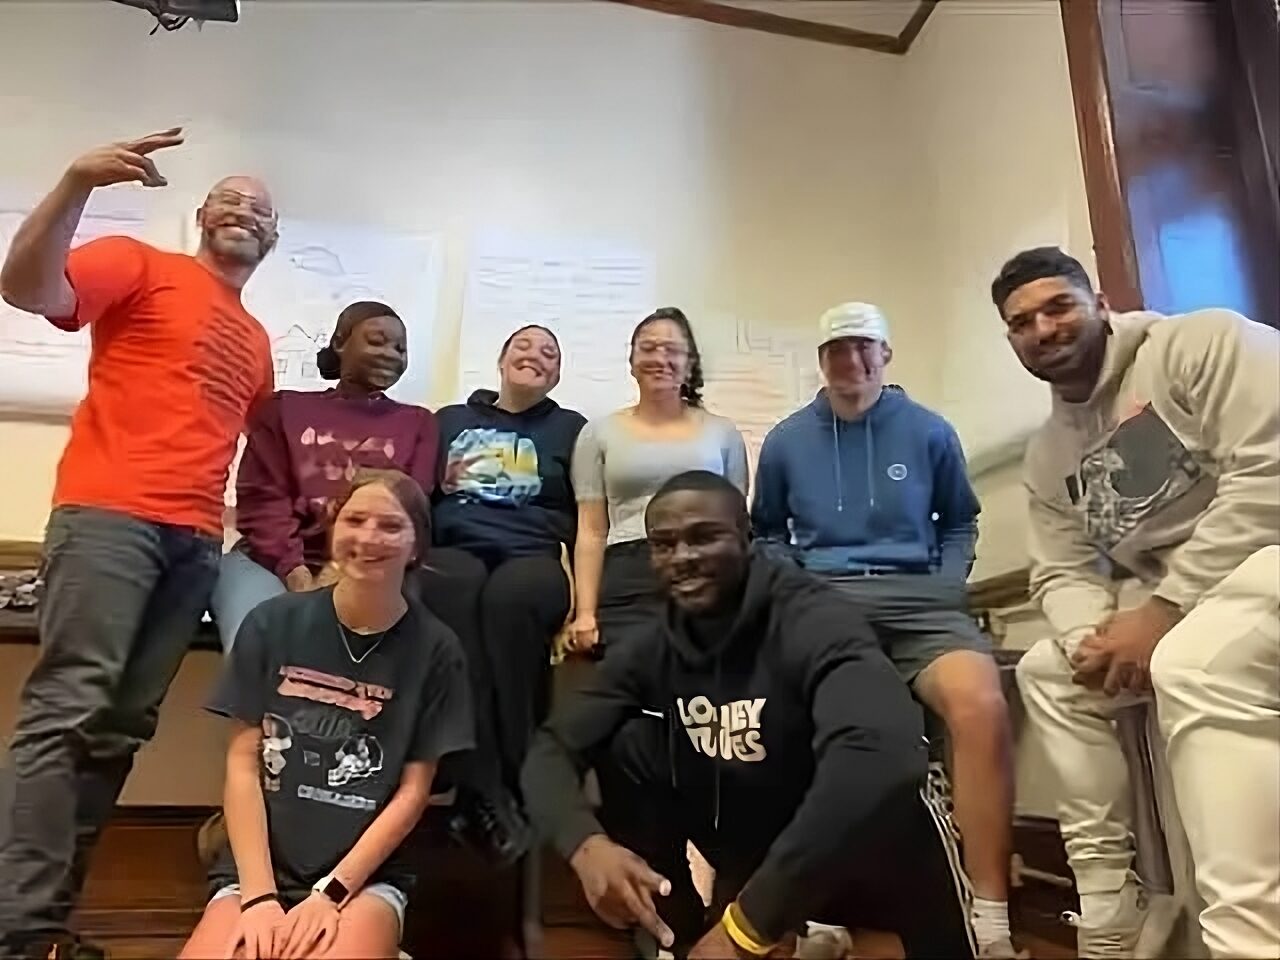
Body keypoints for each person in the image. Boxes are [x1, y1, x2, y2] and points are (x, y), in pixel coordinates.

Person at [0, 129, 278, 959]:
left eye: (260, 209)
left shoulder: (257, 344)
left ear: (272, 239)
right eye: (229, 198)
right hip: (108, 518)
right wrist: (77, 180)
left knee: (118, 730)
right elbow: (23, 286)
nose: (243, 211)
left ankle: (47, 925)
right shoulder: (139, 263)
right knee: (66, 710)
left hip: (193, 541)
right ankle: (18, 931)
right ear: (201, 215)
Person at [522, 470, 976, 959]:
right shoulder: (655, 645)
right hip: (757, 855)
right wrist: (585, 847)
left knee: (881, 786)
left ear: (747, 538)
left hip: (868, 850)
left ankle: (814, 929)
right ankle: (684, 934)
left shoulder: (812, 618)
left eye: (704, 538)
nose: (683, 559)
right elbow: (551, 749)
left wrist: (747, 926)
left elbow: (883, 759)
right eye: (664, 544)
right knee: (629, 743)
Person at [995, 247, 1280, 960]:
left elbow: (1269, 475)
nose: (1045, 328)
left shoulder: (1199, 343)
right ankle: (1109, 914)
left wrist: (1162, 615)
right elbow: (1057, 569)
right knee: (1047, 670)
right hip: (1178, 595)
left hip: (1263, 555)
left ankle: (1246, 943)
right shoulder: (1048, 455)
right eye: (1022, 322)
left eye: (1058, 305)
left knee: (1191, 661)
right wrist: (1095, 638)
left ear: (1098, 302)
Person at [750, 302, 1015, 956]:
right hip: (827, 603)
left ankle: (989, 916)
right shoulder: (788, 439)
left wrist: (948, 584)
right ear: (822, 361)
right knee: (790, 724)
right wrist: (799, 590)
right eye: (837, 350)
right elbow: (765, 534)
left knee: (981, 707)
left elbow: (959, 521)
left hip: (923, 606)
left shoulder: (928, 431)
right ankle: (817, 907)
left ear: (886, 355)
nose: (852, 362)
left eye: (864, 348)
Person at [179, 469, 473, 960]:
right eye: (355, 520)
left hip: (363, 880)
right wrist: (259, 898)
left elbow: (413, 792)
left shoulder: (438, 650)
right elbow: (242, 765)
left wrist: (332, 894)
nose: (368, 538)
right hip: (257, 872)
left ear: (417, 546)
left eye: (390, 526)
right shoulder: (273, 623)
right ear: (334, 530)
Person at [424, 324, 586, 862]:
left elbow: (589, 518)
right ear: (500, 359)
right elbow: (418, 499)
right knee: (453, 587)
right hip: (457, 548)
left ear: (557, 375)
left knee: (510, 602)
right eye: (523, 346)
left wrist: (585, 604)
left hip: (532, 557)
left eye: (549, 354)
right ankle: (490, 787)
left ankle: (505, 776)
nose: (535, 356)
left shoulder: (572, 429)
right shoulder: (450, 421)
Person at [212, 299, 438, 653]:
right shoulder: (283, 409)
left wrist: (340, 574)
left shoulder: (419, 422)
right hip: (269, 562)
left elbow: (408, 507)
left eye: (400, 348)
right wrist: (297, 573)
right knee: (258, 649)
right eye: (377, 341)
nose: (391, 355)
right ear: (340, 342)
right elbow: (263, 501)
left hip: (368, 563)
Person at [568, 308, 748, 657]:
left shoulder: (723, 432)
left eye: (672, 349)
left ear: (690, 363)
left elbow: (737, 526)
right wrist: (586, 613)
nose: (659, 358)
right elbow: (590, 531)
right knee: (634, 674)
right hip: (629, 565)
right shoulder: (598, 433)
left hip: (706, 566)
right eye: (648, 348)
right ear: (632, 361)